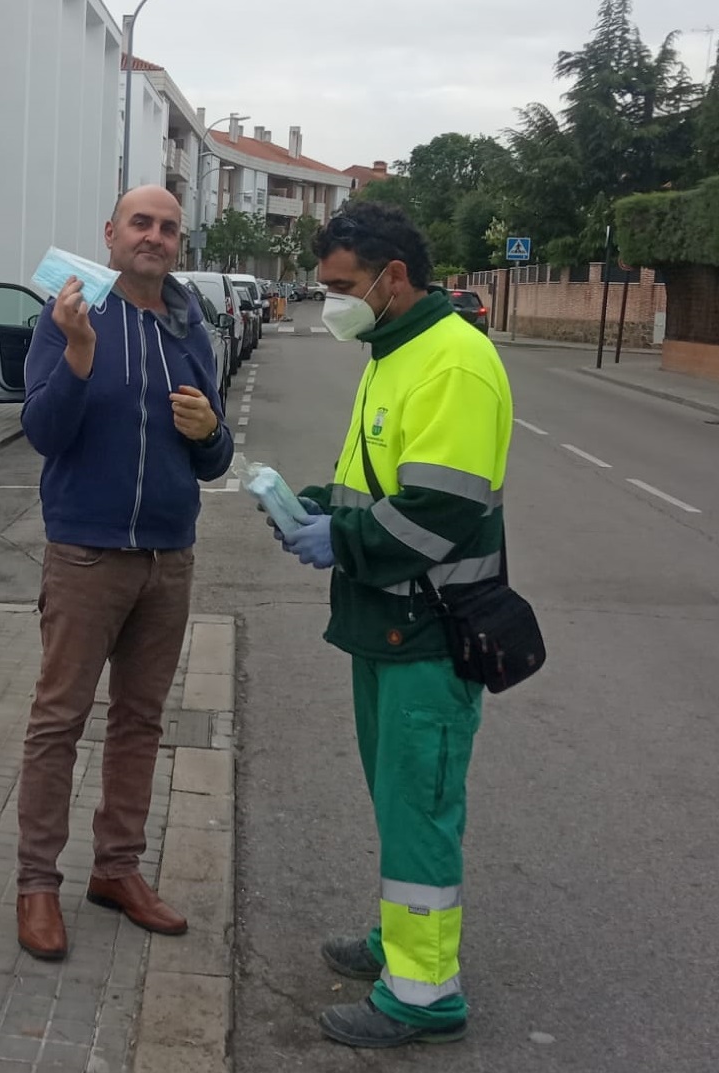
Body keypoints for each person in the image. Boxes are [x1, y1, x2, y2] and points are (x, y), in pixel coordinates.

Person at [275, 200, 512, 1048]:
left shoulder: (450, 362)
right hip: (388, 624)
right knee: (398, 797)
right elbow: (379, 485)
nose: (329, 299)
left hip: (432, 627)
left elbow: (437, 515)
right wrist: (314, 507)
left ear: (393, 279)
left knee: (420, 802)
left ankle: (422, 995)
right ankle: (399, 943)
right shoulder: (396, 351)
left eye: (341, 286)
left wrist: (337, 538)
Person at [16, 186, 234, 960]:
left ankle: (116, 870)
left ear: (181, 243)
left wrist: (212, 432)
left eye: (168, 228)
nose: (154, 237)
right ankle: (37, 883)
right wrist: (77, 355)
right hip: (85, 553)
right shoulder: (73, 312)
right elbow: (42, 431)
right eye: (140, 223)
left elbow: (213, 455)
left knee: (140, 722)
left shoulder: (189, 325)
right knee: (58, 721)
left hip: (167, 556)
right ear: (109, 233)